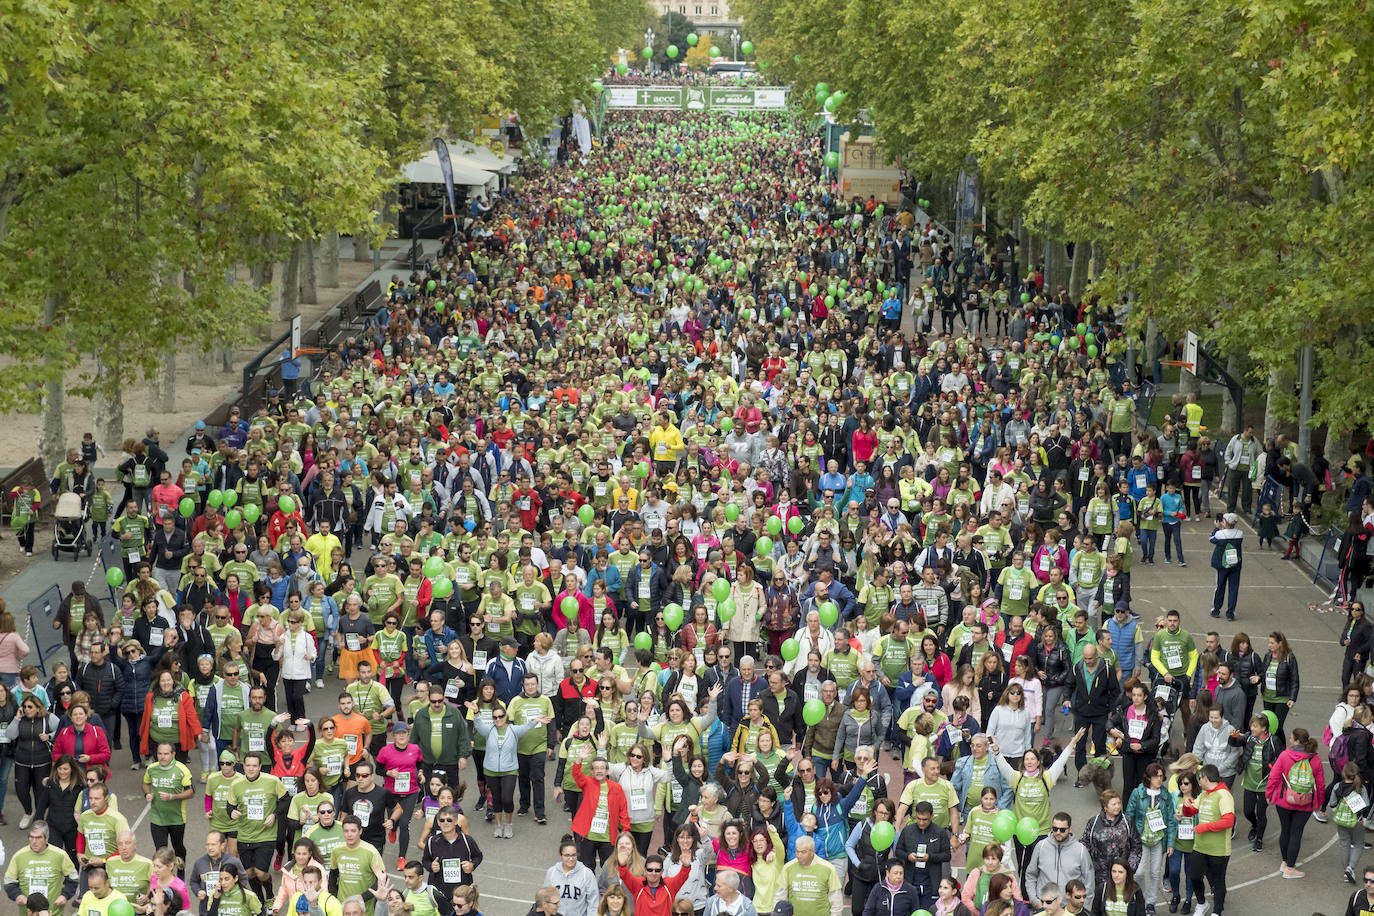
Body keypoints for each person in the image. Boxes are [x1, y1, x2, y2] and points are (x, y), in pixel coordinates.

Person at [1264, 727, 1324, 879]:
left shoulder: (1285, 755)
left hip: (1284, 799)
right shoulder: (1315, 759)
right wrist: (1319, 802)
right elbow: (1320, 784)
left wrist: (1269, 794)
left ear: (1297, 740)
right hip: (1306, 803)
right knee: (1296, 832)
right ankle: (1291, 867)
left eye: (1291, 738)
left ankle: (1285, 862)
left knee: (1285, 830)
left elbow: (1274, 777)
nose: (1289, 740)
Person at [1124, 762, 1175, 914]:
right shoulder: (1137, 793)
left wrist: (1171, 842)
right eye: (1155, 776)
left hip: (1159, 839)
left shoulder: (1165, 795)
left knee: (1155, 873)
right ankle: (1142, 898)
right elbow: (1129, 816)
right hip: (1141, 839)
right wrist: (1129, 838)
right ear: (1148, 777)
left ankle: (1150, 903)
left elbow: (1171, 820)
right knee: (1138, 872)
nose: (1159, 779)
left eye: (1161, 776)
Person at [3, 820, 78, 910]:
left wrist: (64, 895)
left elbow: (73, 878)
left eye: (38, 838)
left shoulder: (60, 855)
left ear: (46, 838)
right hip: (28, 912)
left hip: (53, 911)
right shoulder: (19, 856)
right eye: (31, 837)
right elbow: (9, 881)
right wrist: (18, 895)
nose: (34, 841)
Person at [1189, 765, 1233, 916]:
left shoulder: (1224, 795)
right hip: (1200, 847)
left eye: (1200, 778)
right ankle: (1202, 904)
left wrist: (1204, 827)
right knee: (1194, 876)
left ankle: (1217, 911)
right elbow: (1191, 811)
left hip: (1219, 849)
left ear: (1205, 778)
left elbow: (1228, 821)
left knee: (1218, 881)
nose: (1199, 781)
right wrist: (1186, 808)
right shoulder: (1204, 794)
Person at [1024, 812, 1095, 903]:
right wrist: (1035, 900)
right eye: (1055, 829)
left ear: (1069, 829)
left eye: (1062, 830)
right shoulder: (1041, 846)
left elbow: (1089, 881)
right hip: (1044, 906)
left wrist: (1083, 907)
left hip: (1070, 908)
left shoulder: (1080, 851)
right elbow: (1031, 875)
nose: (1058, 832)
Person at [777, 835, 843, 916]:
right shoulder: (788, 868)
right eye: (797, 851)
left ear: (812, 852)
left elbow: (836, 898)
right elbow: (780, 896)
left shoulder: (828, 868)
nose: (799, 855)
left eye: (803, 852)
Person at [618, 853, 692, 916]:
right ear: (645, 871)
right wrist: (622, 865)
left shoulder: (669, 885)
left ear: (662, 872)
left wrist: (686, 866)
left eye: (657, 870)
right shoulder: (638, 884)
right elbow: (625, 875)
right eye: (650, 870)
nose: (653, 873)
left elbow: (682, 876)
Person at [543, 840, 599, 916]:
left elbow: (593, 902)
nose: (571, 858)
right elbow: (545, 899)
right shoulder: (552, 872)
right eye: (567, 855)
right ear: (561, 856)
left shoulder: (587, 874)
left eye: (573, 855)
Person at [1208, 514, 1243, 621]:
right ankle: (1230, 613)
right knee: (1234, 588)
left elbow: (1212, 539)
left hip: (1222, 564)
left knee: (1220, 587)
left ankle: (1216, 610)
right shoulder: (1239, 534)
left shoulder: (1220, 534)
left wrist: (1217, 527)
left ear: (1225, 522)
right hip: (1235, 564)